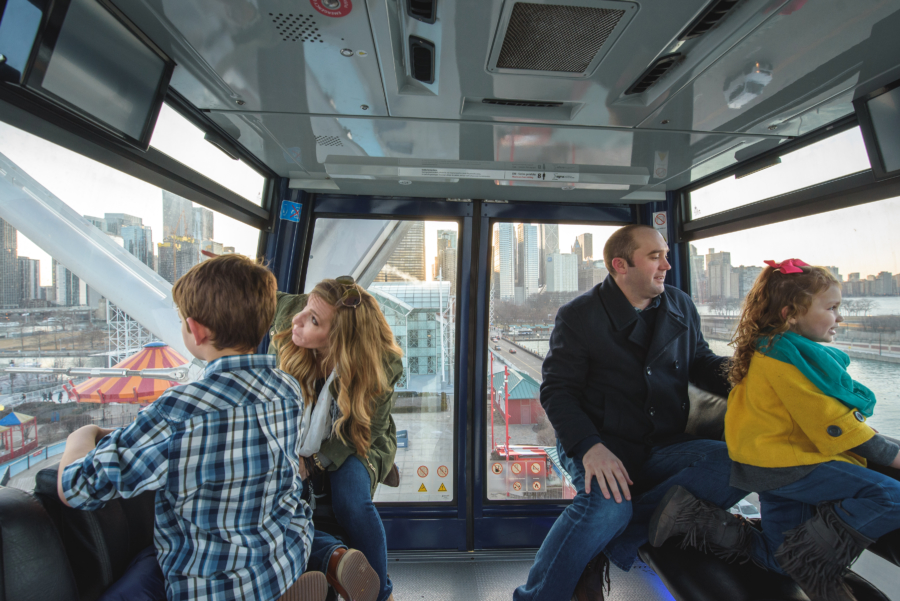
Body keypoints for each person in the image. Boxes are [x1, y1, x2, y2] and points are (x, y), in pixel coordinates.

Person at [57, 254, 373, 601]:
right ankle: (297, 577)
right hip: (281, 558)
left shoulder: (177, 412)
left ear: (195, 330)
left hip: (211, 585)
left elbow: (78, 488)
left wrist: (82, 435)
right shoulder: (286, 390)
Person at [514, 224, 747, 601]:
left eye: (667, 255)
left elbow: (700, 361)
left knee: (739, 462)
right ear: (620, 265)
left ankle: (597, 549)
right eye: (655, 257)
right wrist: (590, 447)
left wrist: (748, 377)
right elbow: (558, 391)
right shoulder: (579, 315)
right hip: (601, 441)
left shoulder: (680, 305)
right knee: (608, 508)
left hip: (662, 441)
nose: (667, 266)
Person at [650, 259, 900, 601]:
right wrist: (893, 456)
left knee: (780, 558)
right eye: (831, 308)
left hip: (764, 464)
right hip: (788, 465)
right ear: (790, 314)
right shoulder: (787, 363)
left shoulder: (769, 349)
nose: (839, 318)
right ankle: (814, 555)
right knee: (892, 495)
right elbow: (837, 426)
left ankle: (695, 519)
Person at [269, 276, 403, 601]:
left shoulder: (381, 365)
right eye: (304, 309)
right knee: (281, 499)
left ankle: (378, 593)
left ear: (339, 337)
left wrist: (314, 462)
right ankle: (323, 569)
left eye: (313, 320)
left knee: (350, 501)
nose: (296, 321)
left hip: (358, 439)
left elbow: (363, 430)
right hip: (302, 438)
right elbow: (260, 293)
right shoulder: (297, 314)